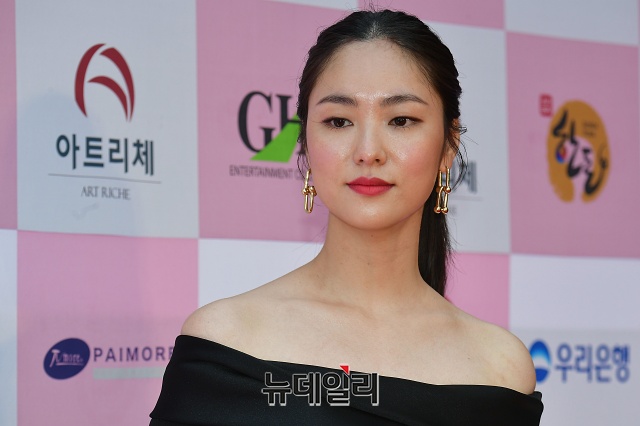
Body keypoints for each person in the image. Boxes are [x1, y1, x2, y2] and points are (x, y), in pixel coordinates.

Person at [150, 9, 543, 425]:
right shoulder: (224, 343)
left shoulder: (499, 369)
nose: (368, 151)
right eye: (339, 121)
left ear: (448, 145)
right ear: (305, 142)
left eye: (401, 120)